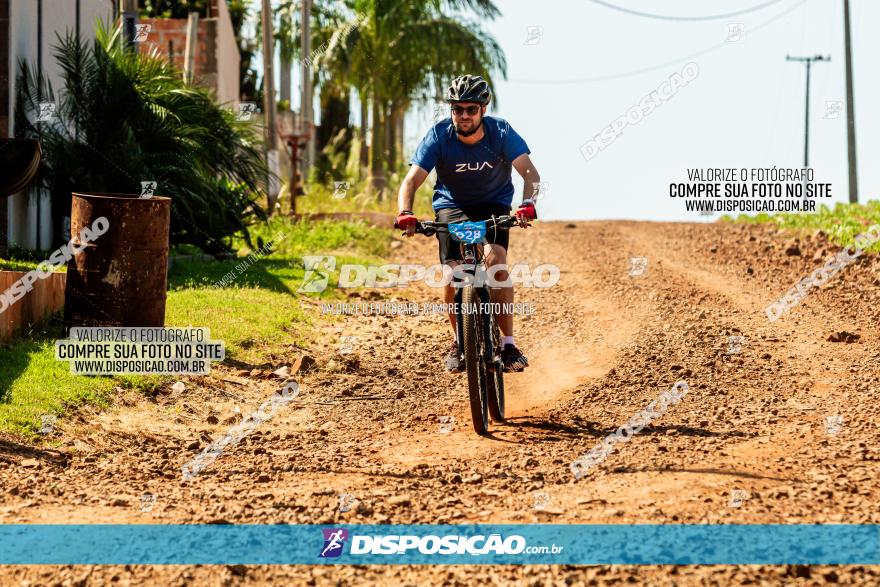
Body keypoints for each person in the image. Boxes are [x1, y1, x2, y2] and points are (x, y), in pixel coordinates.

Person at [396, 74, 541, 373]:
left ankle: (509, 344)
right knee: (452, 276)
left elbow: (531, 174)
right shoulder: (438, 135)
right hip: (452, 207)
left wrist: (528, 204)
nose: (463, 116)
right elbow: (411, 180)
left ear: (483, 110)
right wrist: (404, 212)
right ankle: (458, 341)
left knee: (496, 263)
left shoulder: (500, 132)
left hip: (493, 205)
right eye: (457, 109)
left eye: (470, 109)